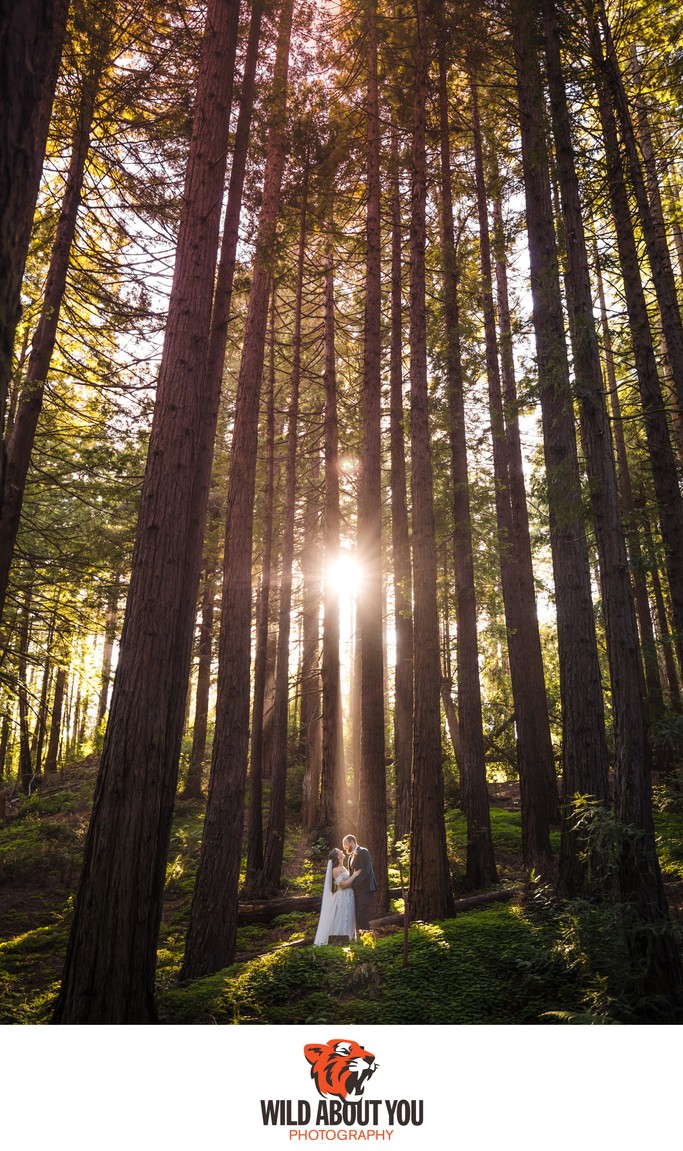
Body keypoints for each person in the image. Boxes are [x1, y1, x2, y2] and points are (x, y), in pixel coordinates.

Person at [313, 848, 356, 946]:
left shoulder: (344, 867)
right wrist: (355, 876)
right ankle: (339, 943)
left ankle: (349, 941)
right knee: (342, 918)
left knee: (349, 917)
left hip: (349, 896)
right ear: (337, 856)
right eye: (340, 852)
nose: (342, 852)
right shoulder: (335, 870)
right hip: (343, 898)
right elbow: (343, 885)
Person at [340, 834, 376, 938]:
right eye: (343, 845)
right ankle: (360, 939)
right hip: (356, 890)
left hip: (365, 888)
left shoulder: (363, 852)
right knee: (357, 914)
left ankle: (368, 939)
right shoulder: (351, 856)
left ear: (352, 842)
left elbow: (366, 871)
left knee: (361, 914)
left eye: (346, 844)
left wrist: (353, 884)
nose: (344, 847)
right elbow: (352, 874)